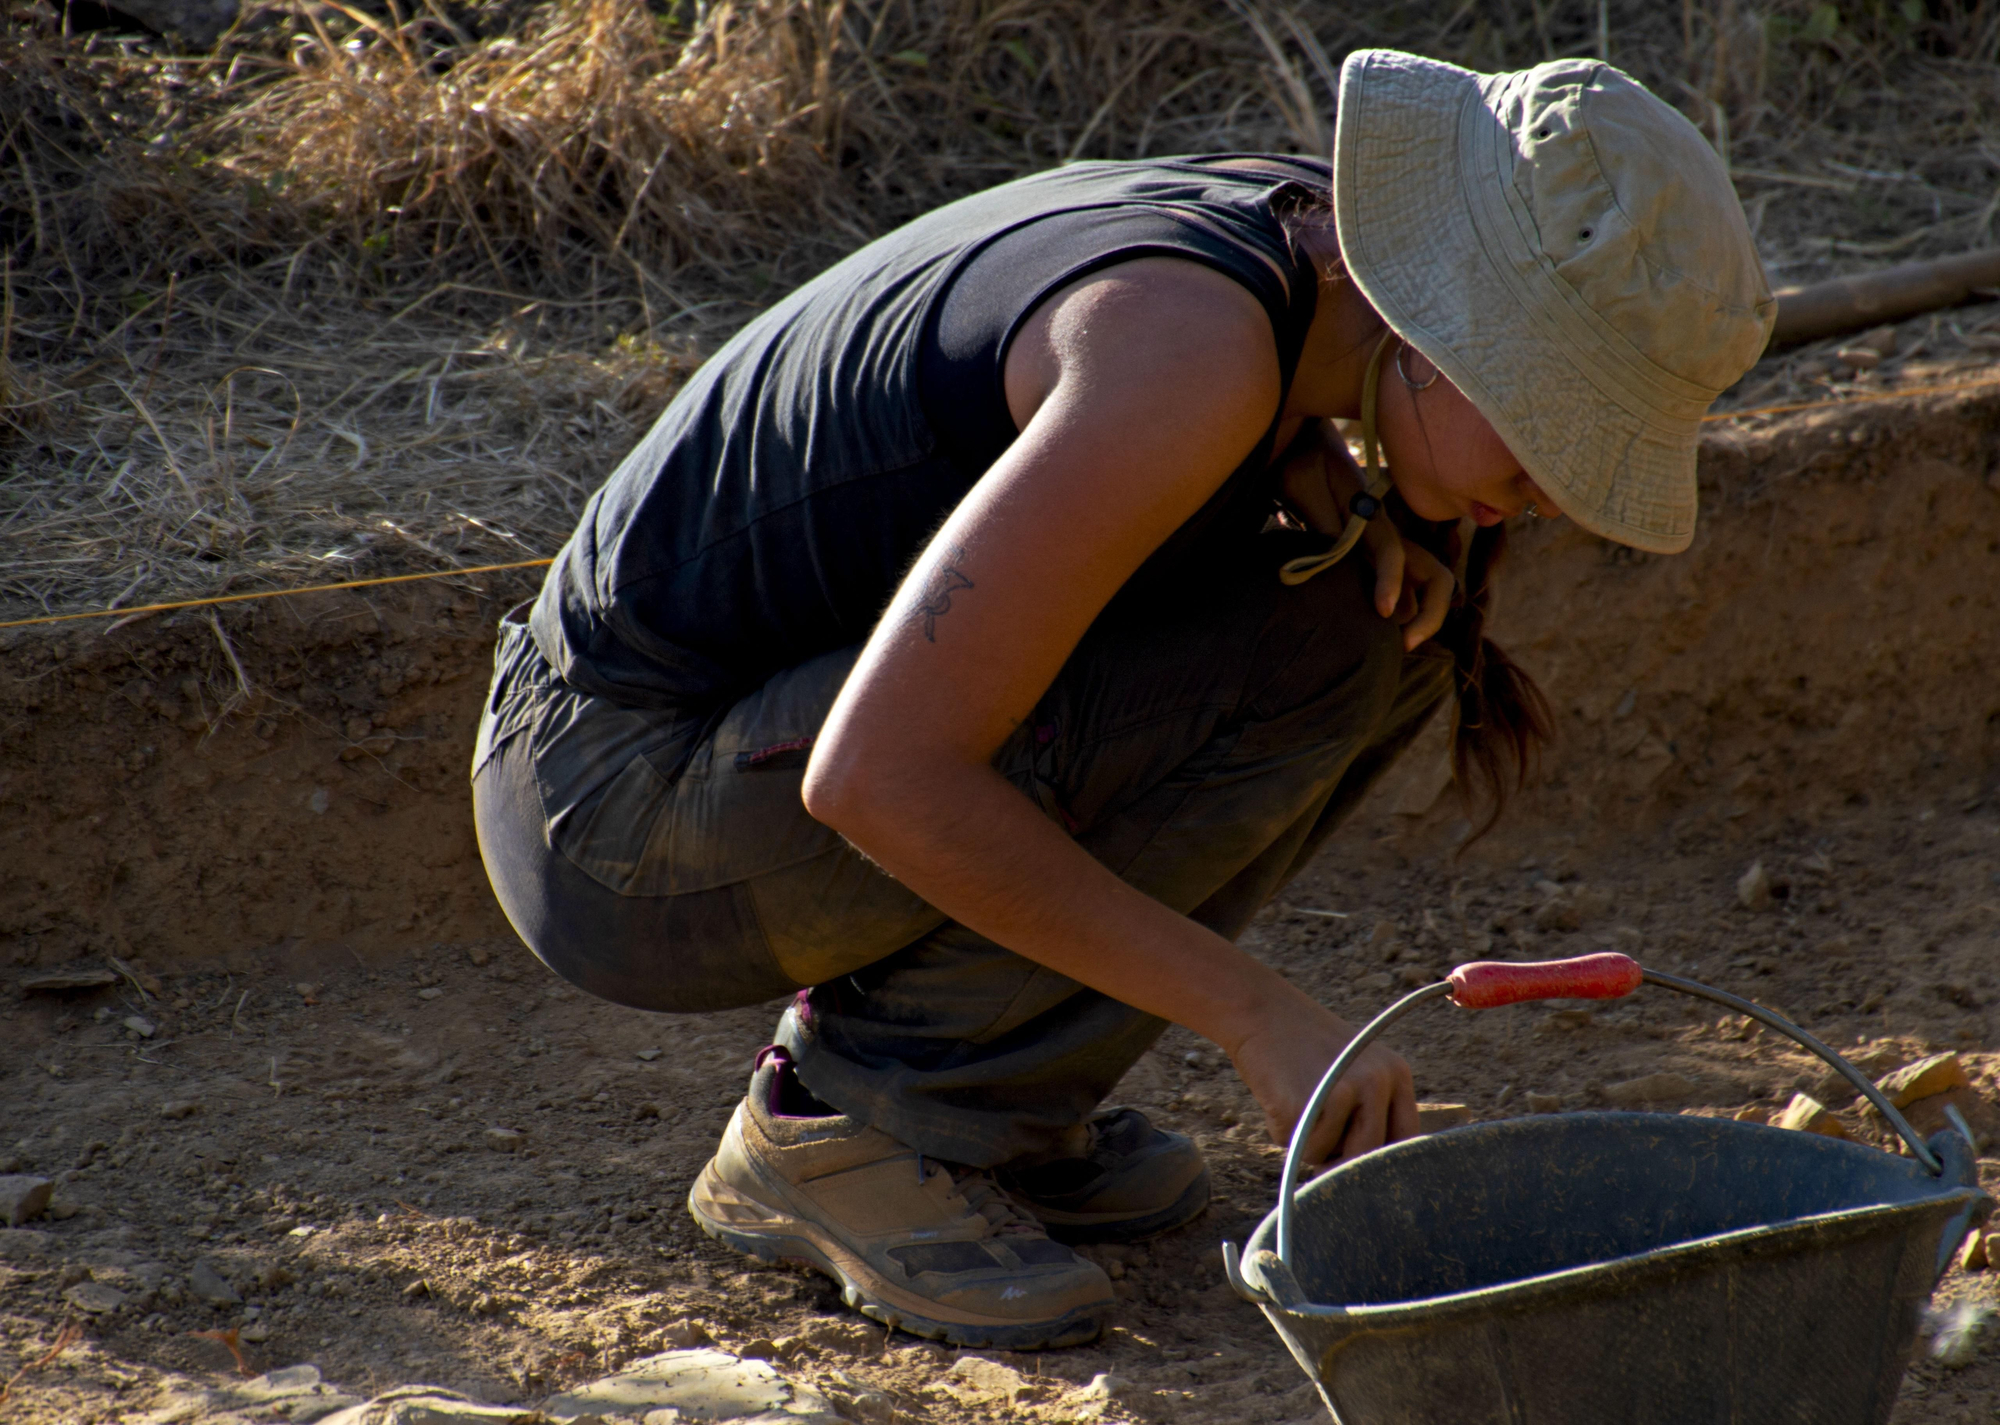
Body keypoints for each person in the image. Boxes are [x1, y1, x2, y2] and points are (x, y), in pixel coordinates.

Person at [471, 48, 1773, 1349]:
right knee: (1311, 636)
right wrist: (1256, 1012)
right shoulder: (1188, 359)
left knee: (1368, 619)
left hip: (690, 740)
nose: (1550, 495)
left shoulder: (1288, 248)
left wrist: (1325, 476)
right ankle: (848, 1121)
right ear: (1444, 325)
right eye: (1552, 434)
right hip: (611, 811)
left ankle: (993, 1093)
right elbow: (879, 776)